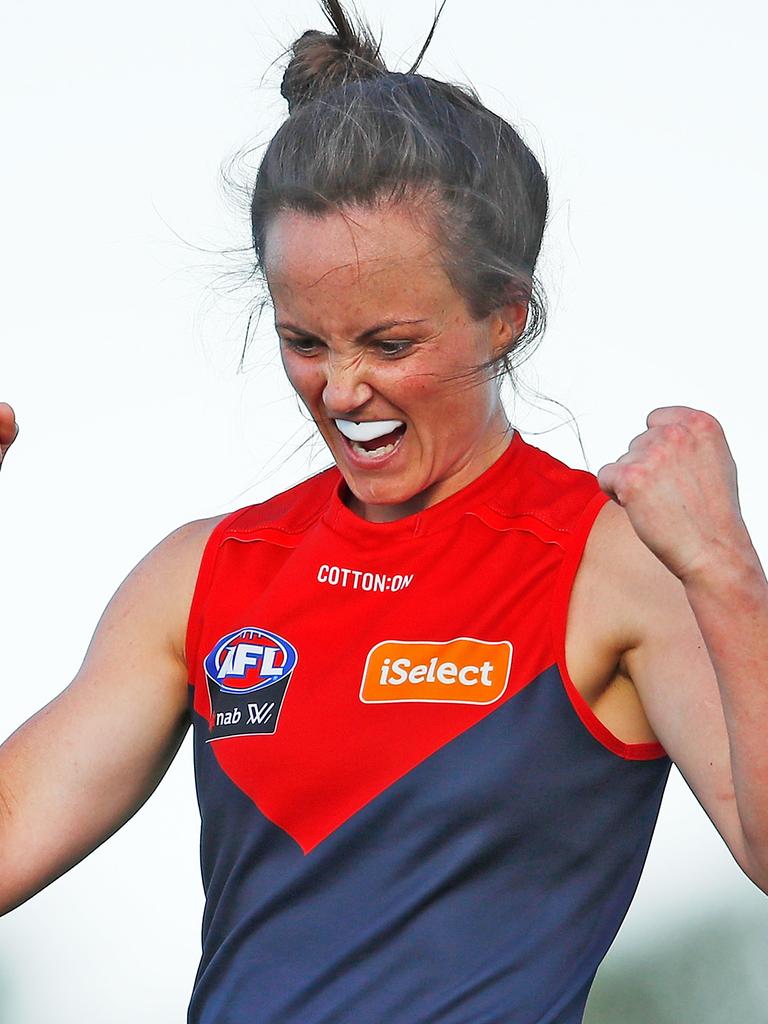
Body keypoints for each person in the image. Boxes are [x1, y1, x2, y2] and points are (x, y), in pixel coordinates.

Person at [1, 0, 767, 1020]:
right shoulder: (202, 576)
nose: (343, 387)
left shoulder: (613, 563)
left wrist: (726, 571)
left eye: (389, 344)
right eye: (305, 342)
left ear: (506, 317)